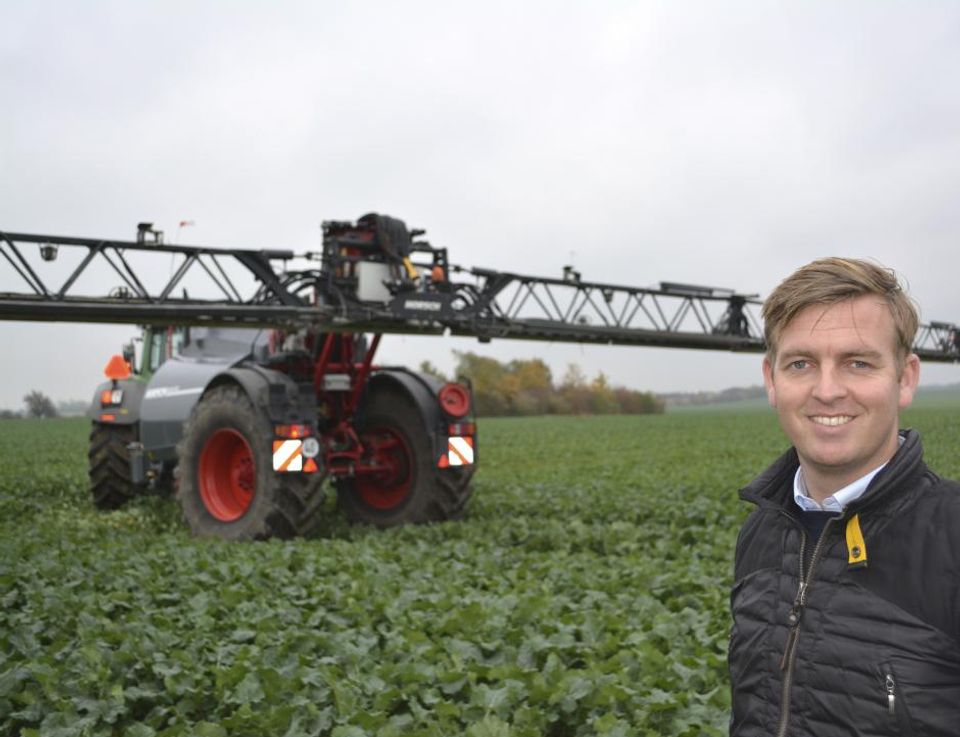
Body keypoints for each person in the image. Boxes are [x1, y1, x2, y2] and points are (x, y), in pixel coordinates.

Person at [728, 258, 960, 737]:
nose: (827, 391)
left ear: (906, 378)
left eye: (858, 362)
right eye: (801, 364)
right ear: (772, 380)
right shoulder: (760, 533)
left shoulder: (952, 539)